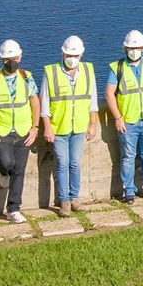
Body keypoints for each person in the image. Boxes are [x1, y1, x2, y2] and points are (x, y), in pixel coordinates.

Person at [0, 39, 40, 222]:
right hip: (1, 131)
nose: (11, 62)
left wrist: (35, 127)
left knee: (19, 170)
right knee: (6, 163)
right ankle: (3, 173)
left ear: (20, 57)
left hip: (23, 131)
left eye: (13, 58)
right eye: (7, 59)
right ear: (1, 60)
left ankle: (13, 208)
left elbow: (35, 101)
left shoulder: (26, 77)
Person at [41, 35, 99, 214]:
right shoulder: (51, 72)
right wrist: (47, 126)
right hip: (59, 127)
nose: (72, 59)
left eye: (75, 55)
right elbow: (44, 103)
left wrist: (92, 124)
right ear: (63, 54)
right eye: (69, 55)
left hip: (79, 126)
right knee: (62, 163)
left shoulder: (88, 71)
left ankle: (74, 198)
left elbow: (92, 101)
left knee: (74, 163)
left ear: (81, 55)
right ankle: (64, 200)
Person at [106, 29, 143, 203]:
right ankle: (129, 191)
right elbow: (109, 94)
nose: (134, 51)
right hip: (128, 122)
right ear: (125, 49)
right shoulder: (117, 67)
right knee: (128, 158)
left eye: (137, 48)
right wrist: (118, 118)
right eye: (131, 48)